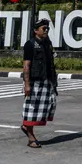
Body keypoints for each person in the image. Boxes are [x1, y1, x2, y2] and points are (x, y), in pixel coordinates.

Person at [20, 19, 57, 148]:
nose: (46, 30)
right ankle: (31, 138)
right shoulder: (30, 44)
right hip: (34, 82)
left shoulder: (47, 43)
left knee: (48, 107)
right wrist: (27, 84)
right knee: (31, 110)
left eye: (47, 28)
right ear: (36, 31)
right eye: (43, 28)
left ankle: (26, 127)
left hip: (46, 81)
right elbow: (26, 66)